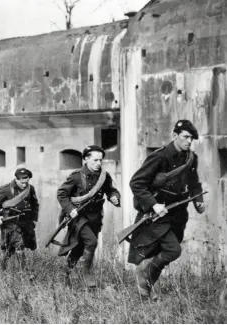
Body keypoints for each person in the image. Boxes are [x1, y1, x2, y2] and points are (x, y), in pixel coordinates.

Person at [128, 120, 205, 299]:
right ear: (175, 136)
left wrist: (198, 200)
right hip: (156, 214)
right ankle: (144, 278)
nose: (189, 141)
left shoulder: (191, 158)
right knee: (173, 250)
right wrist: (153, 204)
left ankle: (146, 288)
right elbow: (137, 182)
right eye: (185, 137)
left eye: (191, 138)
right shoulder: (160, 157)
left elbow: (194, 184)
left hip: (177, 214)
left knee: (160, 252)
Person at [56, 145, 121, 288]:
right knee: (91, 242)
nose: (98, 163)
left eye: (100, 160)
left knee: (79, 248)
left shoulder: (104, 176)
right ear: (86, 159)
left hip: (95, 218)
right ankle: (86, 275)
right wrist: (70, 209)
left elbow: (111, 190)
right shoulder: (76, 176)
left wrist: (114, 197)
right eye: (95, 160)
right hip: (78, 217)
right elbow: (62, 194)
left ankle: (65, 273)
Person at [0, 168, 39, 270]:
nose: (24, 185)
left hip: (25, 221)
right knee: (19, 244)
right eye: (22, 182)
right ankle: (23, 272)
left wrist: (33, 219)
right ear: (16, 179)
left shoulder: (31, 188)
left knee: (11, 248)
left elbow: (35, 204)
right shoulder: (7, 189)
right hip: (10, 221)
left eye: (26, 182)